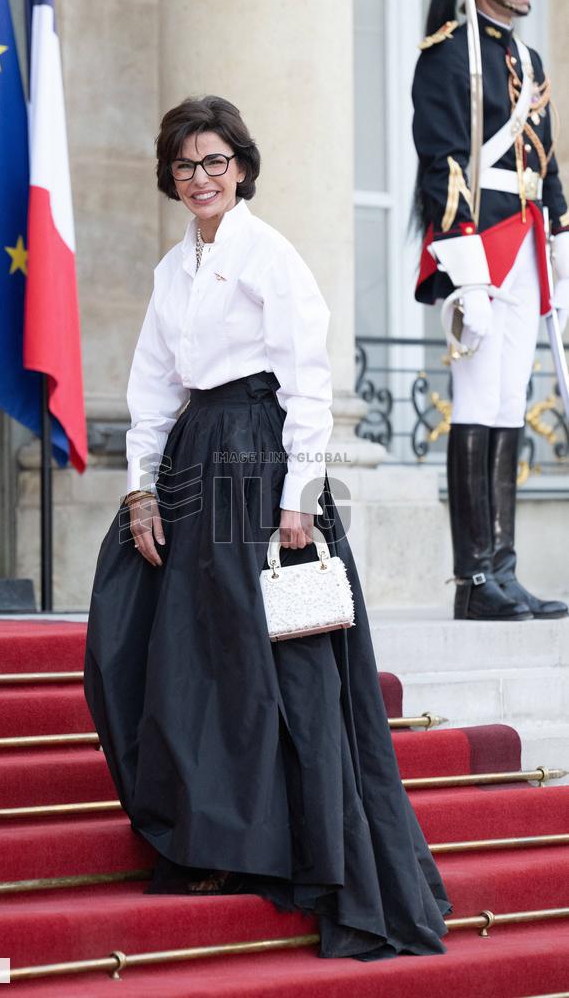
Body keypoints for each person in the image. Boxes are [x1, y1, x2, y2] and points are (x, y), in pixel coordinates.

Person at [83, 95, 451, 960]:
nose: (200, 176)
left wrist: (299, 497)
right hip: (190, 464)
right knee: (160, 651)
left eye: (214, 161)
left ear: (241, 168)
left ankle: (284, 847)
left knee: (266, 666)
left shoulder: (270, 254)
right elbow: (152, 389)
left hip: (258, 466)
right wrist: (139, 492)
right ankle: (208, 834)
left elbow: (307, 381)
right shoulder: (170, 271)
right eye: (185, 164)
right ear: (171, 177)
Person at [412, 0, 569, 621]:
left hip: (527, 242)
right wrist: (466, 268)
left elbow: (546, 162)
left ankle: (503, 569)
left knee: (509, 400)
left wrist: (560, 242)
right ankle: (473, 578)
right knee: (477, 399)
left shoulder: (528, 60)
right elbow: (443, 162)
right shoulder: (449, 53)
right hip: (481, 244)